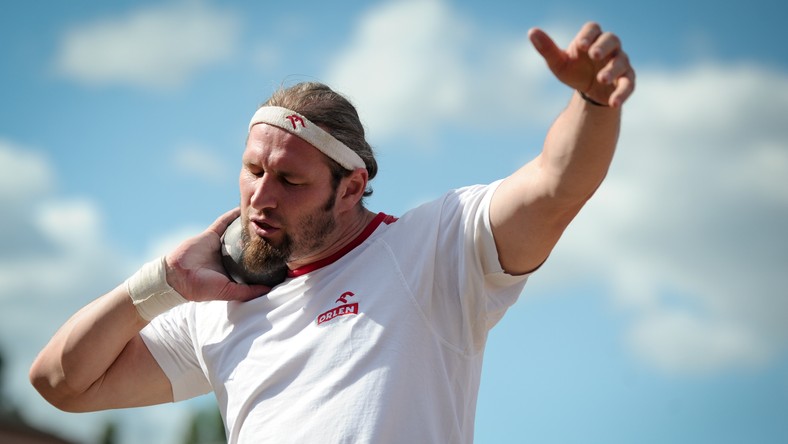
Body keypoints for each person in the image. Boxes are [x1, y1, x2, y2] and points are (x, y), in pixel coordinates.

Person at [30, 22, 635, 443]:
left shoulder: (434, 250)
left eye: (290, 180)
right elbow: (60, 383)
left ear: (350, 187)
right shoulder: (217, 310)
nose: (261, 197)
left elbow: (555, 185)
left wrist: (593, 103)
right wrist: (163, 282)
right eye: (253, 171)